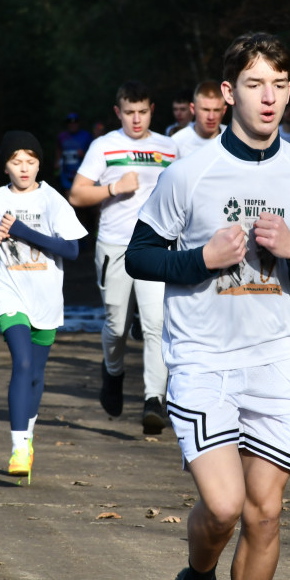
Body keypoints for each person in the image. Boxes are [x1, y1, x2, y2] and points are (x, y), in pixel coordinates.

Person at [126, 32, 290, 580]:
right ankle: (197, 575)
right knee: (223, 509)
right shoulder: (188, 173)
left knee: (264, 515)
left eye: (280, 84)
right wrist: (202, 258)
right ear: (228, 92)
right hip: (202, 357)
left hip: (272, 358)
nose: (269, 97)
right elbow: (140, 258)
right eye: (255, 84)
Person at [0, 131, 88, 482]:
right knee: (22, 362)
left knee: (35, 374)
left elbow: (72, 250)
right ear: (5, 166)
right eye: (16, 162)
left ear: (39, 164)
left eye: (30, 161)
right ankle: (18, 447)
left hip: (46, 298)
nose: (24, 168)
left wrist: (22, 231)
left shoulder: (52, 201)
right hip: (7, 293)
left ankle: (28, 437)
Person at [68, 81, 177, 434]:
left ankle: (153, 401)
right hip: (114, 246)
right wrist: (115, 187)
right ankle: (113, 373)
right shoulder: (104, 146)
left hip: (156, 248)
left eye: (142, 112)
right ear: (118, 112)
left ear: (151, 110)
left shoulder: (170, 147)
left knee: (155, 325)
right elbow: (77, 195)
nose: (136, 119)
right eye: (129, 112)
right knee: (116, 326)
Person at [171, 81, 228, 158]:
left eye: (216, 110)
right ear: (193, 109)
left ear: (224, 110)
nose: (211, 117)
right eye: (205, 110)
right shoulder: (177, 142)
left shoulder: (234, 139)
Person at [55, 112, 94, 194]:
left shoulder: (86, 135)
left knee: (82, 194)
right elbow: (59, 148)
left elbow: (94, 152)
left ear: (78, 123)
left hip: (81, 170)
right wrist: (57, 161)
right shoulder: (62, 136)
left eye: (75, 121)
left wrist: (84, 155)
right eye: (69, 122)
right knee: (68, 194)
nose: (72, 124)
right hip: (66, 170)